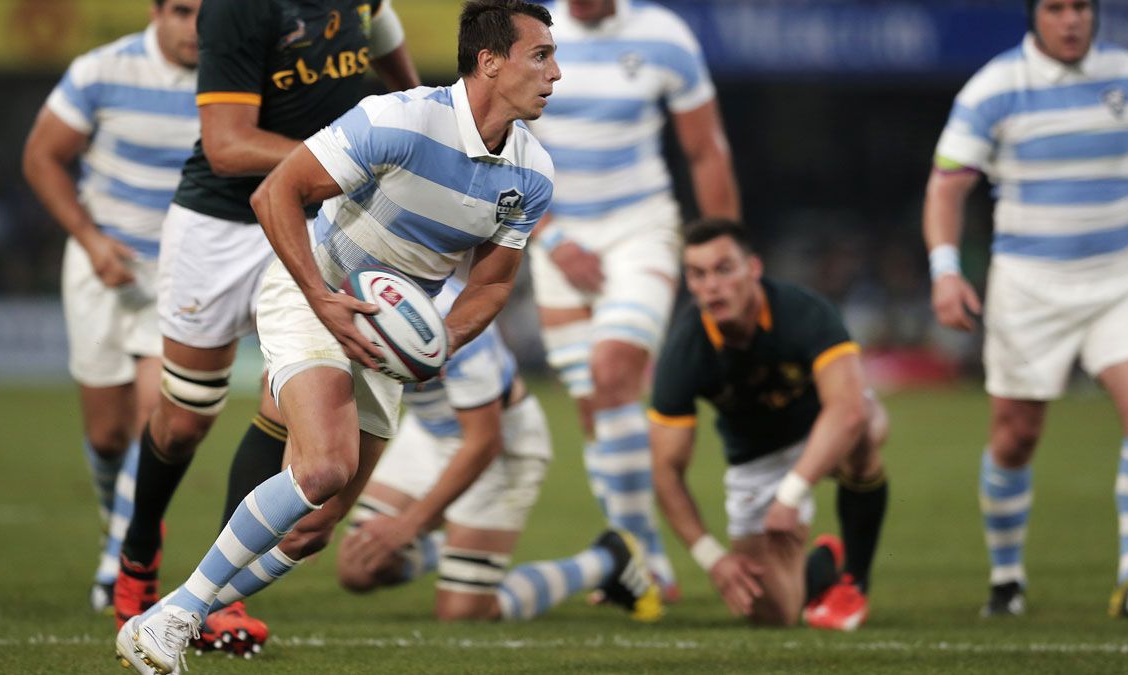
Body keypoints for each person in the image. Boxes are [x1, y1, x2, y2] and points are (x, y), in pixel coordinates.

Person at [116, 1, 560, 671]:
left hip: (383, 330)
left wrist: (439, 341)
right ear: (491, 62)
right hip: (315, 288)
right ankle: (173, 617)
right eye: (541, 55)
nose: (556, 72)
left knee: (314, 527)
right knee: (323, 466)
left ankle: (169, 612)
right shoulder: (401, 118)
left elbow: (492, 285)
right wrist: (322, 299)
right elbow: (275, 194)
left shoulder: (534, 174)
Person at [111, 0, 420, 644]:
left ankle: (214, 597)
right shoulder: (237, 8)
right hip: (218, 226)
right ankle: (139, 552)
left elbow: (403, 81)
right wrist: (347, 159)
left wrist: (417, 137)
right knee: (186, 417)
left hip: (316, 222)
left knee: (289, 402)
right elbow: (225, 148)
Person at [924, 0, 1128, 620]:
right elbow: (947, 184)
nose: (1071, 21)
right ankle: (1007, 577)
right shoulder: (994, 88)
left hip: (1118, 277)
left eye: (1081, 8)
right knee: (1016, 435)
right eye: (1056, 8)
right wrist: (944, 272)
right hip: (1028, 287)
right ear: (1034, 16)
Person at [525, 0, 740, 598]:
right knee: (596, 406)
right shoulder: (527, 32)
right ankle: (637, 554)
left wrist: (728, 259)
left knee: (613, 367)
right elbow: (495, 146)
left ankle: (646, 561)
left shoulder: (664, 35)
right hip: (554, 232)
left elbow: (705, 149)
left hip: (641, 224)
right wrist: (555, 239)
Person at [335, 278, 661, 623]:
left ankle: (609, 559)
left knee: (462, 613)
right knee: (358, 569)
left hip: (503, 444)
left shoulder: (453, 322)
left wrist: (410, 525)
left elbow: (484, 441)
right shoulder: (354, 291)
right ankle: (461, 541)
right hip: (427, 431)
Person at [20, 0, 201, 615]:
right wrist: (92, 239)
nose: (195, 26)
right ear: (156, 12)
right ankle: (116, 520)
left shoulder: (234, 76)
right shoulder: (102, 70)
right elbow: (41, 156)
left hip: (178, 275)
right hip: (101, 266)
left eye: (208, 12)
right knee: (106, 436)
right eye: (182, 10)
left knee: (157, 414)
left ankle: (118, 563)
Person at [650, 218, 890, 629]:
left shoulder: (802, 311)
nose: (711, 286)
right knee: (774, 612)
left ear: (753, 269)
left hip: (823, 431)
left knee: (865, 427)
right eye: (698, 274)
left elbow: (847, 409)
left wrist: (792, 493)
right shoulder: (684, 351)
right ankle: (821, 568)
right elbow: (665, 471)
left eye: (724, 269)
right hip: (757, 461)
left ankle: (853, 583)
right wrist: (713, 558)